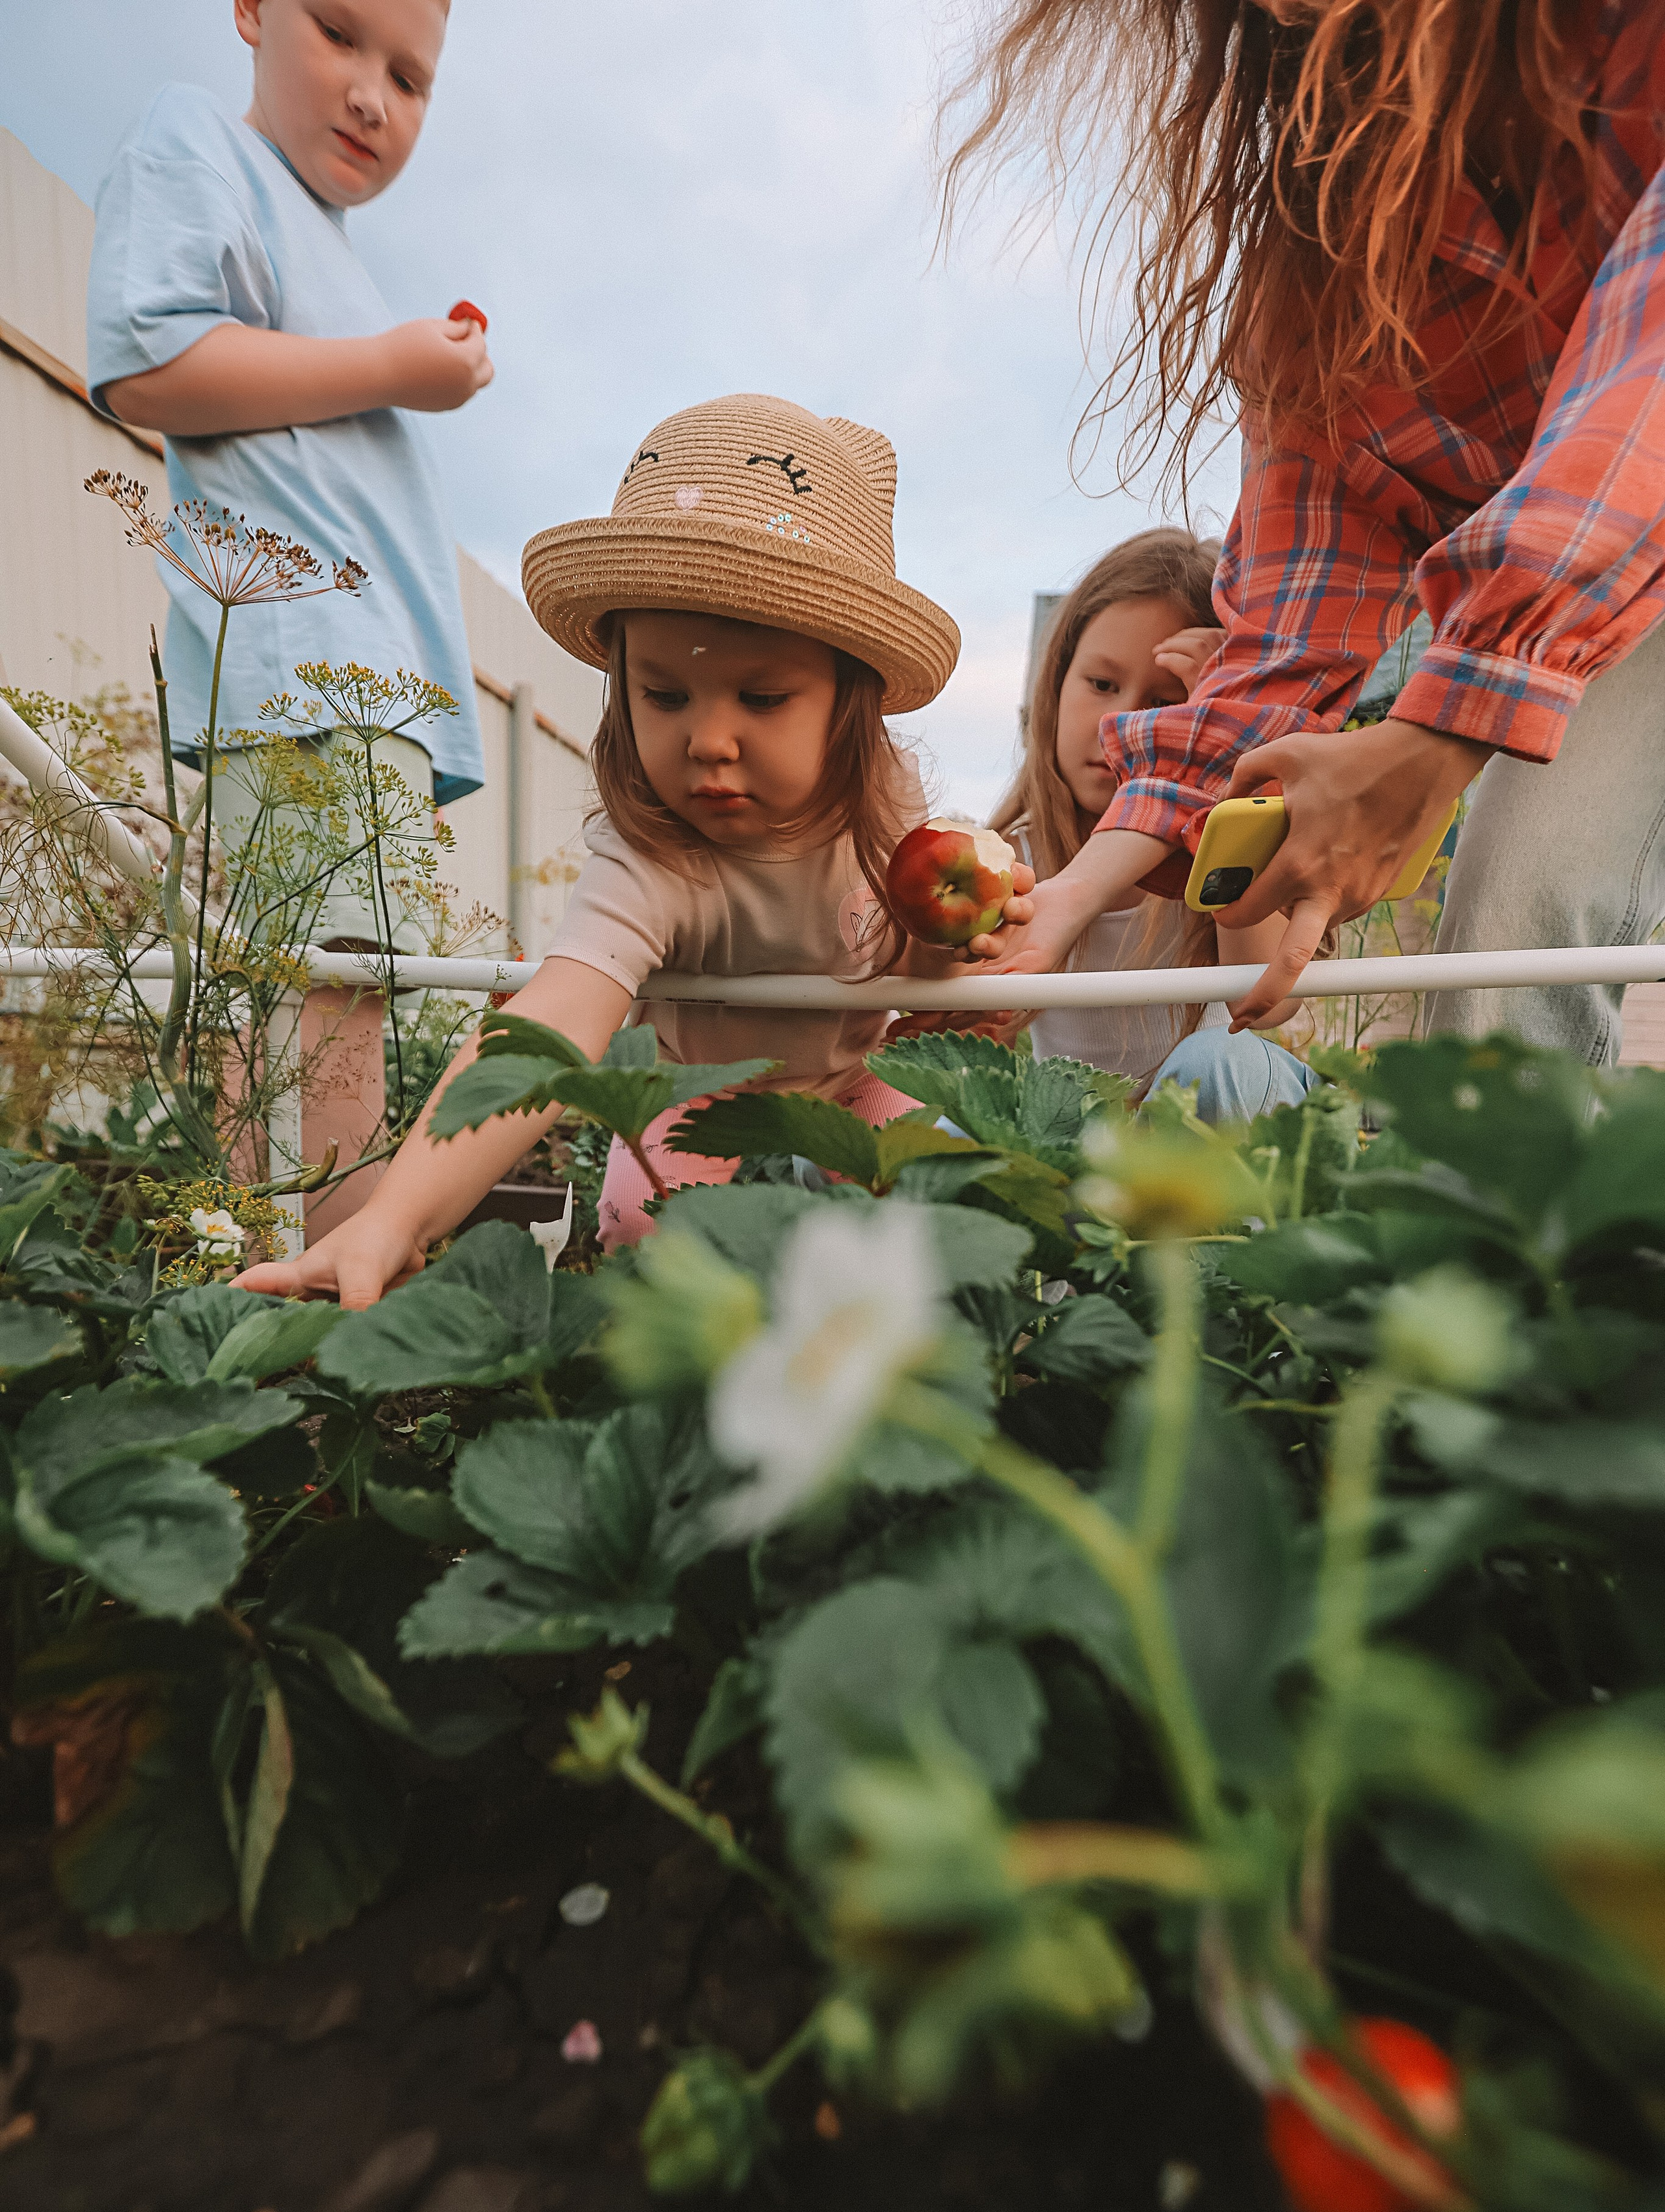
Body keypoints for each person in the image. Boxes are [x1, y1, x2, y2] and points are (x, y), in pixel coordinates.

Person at [950, 0, 1665, 1063]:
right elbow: (1297, 613)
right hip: (1570, 597)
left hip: (1599, 569)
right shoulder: (1328, 231)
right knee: (1511, 919)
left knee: (1524, 895)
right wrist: (1072, 896)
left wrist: (1435, 738)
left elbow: (1641, 387)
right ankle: (1499, 1178)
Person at [236, 392, 1004, 1302]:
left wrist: (955, 943)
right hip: (698, 1103)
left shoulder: (890, 820)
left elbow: (907, 968)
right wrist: (393, 1218)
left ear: (854, 701)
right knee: (650, 1228)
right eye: (664, 696)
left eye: (763, 699)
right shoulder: (655, 861)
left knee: (936, 1192)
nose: (708, 741)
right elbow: (551, 1024)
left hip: (854, 1088)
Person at [87, 0, 490, 1220]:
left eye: (410, 79)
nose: (373, 94)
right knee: (329, 1003)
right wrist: (394, 368)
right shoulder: (200, 138)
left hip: (357, 684)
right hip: (312, 664)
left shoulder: (331, 249)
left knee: (306, 1003)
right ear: (253, 11)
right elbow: (146, 359)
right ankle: (318, 1303)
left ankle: (265, 1274)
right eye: (339, 32)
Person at [991, 526, 1318, 1121]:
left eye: (1165, 705)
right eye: (1102, 685)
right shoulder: (1012, 859)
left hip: (1227, 1122)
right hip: (1082, 1141)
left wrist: (1225, 746)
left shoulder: (1240, 840)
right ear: (1055, 685)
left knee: (1214, 1061)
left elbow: (1263, 1003)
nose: (1120, 724)